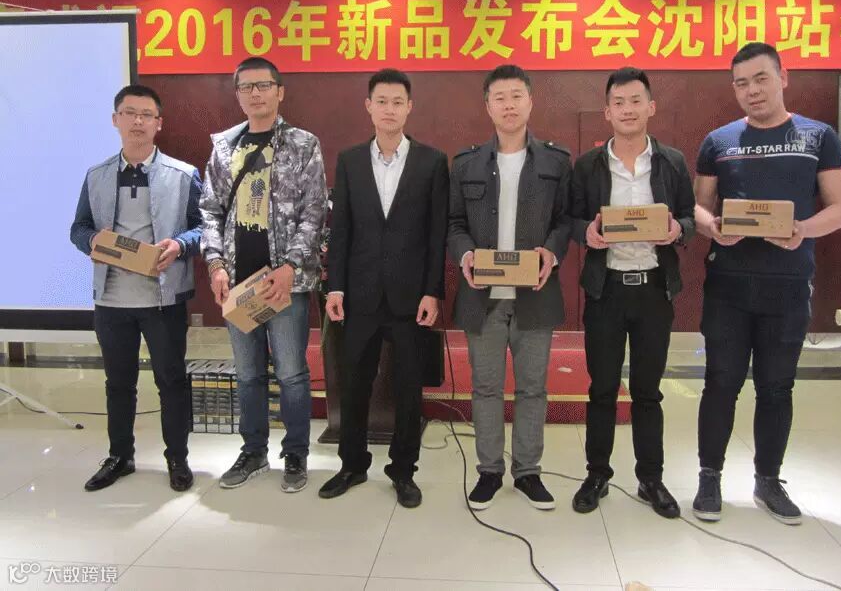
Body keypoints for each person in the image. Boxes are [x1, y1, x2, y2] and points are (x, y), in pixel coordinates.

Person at [692, 42, 841, 524]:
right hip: (728, 286)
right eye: (741, 83)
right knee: (720, 384)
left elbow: (840, 210)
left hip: (788, 285)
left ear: (783, 77)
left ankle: (768, 480)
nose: (752, 91)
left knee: (777, 387)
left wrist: (802, 229)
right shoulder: (718, 141)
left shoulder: (817, 136)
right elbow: (697, 208)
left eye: (761, 78)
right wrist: (713, 227)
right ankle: (709, 477)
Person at [319, 68, 449, 509]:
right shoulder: (351, 160)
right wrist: (335, 287)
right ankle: (352, 464)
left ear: (409, 107)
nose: (389, 109)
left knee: (409, 387)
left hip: (412, 298)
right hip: (359, 295)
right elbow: (341, 231)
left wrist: (433, 291)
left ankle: (403, 470)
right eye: (382, 101)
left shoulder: (432, 162)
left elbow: (436, 235)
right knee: (354, 382)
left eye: (397, 102)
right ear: (368, 107)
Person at [569, 67, 695, 518]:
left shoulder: (671, 162)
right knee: (602, 388)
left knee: (647, 391)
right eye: (618, 103)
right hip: (606, 292)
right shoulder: (588, 165)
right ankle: (597, 474)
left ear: (651, 107)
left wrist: (678, 229)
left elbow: (689, 217)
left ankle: (650, 478)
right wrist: (587, 233)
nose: (627, 109)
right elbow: (571, 220)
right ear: (607, 112)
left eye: (635, 100)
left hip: (653, 292)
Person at [200, 57, 327, 493]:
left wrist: (291, 265)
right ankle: (253, 451)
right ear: (237, 94)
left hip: (284, 283)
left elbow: (315, 211)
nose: (255, 93)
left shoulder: (303, 144)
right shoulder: (224, 147)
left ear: (280, 91)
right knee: (248, 374)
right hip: (239, 283)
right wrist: (216, 264)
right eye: (246, 87)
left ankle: (295, 455)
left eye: (263, 85)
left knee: (291, 373)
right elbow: (209, 211)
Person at [448, 64, 571, 511]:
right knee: (485, 389)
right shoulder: (466, 164)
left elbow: (565, 221)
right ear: (488, 106)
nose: (509, 105)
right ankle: (489, 471)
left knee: (533, 388)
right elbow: (454, 223)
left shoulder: (556, 162)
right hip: (483, 298)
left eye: (517, 95)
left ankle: (528, 472)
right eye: (499, 97)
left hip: (535, 294)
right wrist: (465, 255)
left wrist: (551, 253)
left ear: (530, 101)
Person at [71, 84, 202, 493]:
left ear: (159, 123)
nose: (138, 121)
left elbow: (205, 228)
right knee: (118, 383)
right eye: (130, 113)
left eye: (147, 114)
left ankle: (177, 458)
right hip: (111, 298)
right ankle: (120, 456)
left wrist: (179, 244)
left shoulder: (183, 175)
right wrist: (91, 242)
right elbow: (78, 228)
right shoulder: (96, 175)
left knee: (171, 380)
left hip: (163, 298)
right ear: (116, 120)